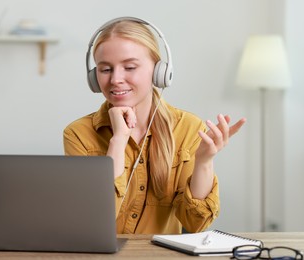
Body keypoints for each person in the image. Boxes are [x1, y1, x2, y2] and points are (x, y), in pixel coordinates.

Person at [63, 17, 246, 234]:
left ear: (159, 72)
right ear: (94, 78)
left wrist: (204, 161)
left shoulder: (187, 127)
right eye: (105, 70)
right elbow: (92, 222)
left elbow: (195, 223)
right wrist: (118, 140)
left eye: (129, 67)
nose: (116, 79)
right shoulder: (78, 134)